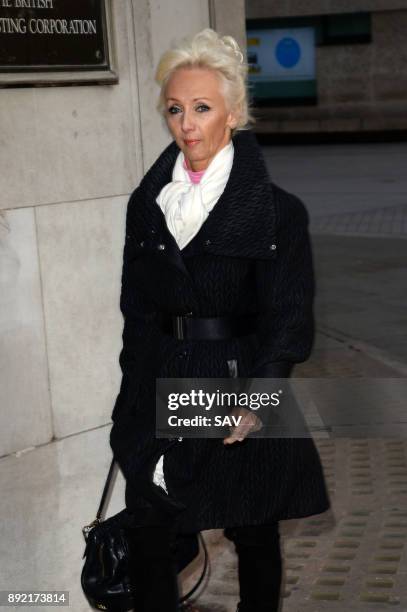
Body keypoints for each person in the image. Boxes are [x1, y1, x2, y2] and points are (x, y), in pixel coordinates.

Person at [109, 28, 330, 612]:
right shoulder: (149, 202)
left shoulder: (277, 210)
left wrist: (258, 400)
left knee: (253, 531)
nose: (186, 124)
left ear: (232, 113)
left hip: (236, 384)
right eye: (176, 109)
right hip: (162, 382)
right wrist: (130, 398)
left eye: (202, 108)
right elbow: (136, 311)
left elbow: (288, 319)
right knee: (150, 531)